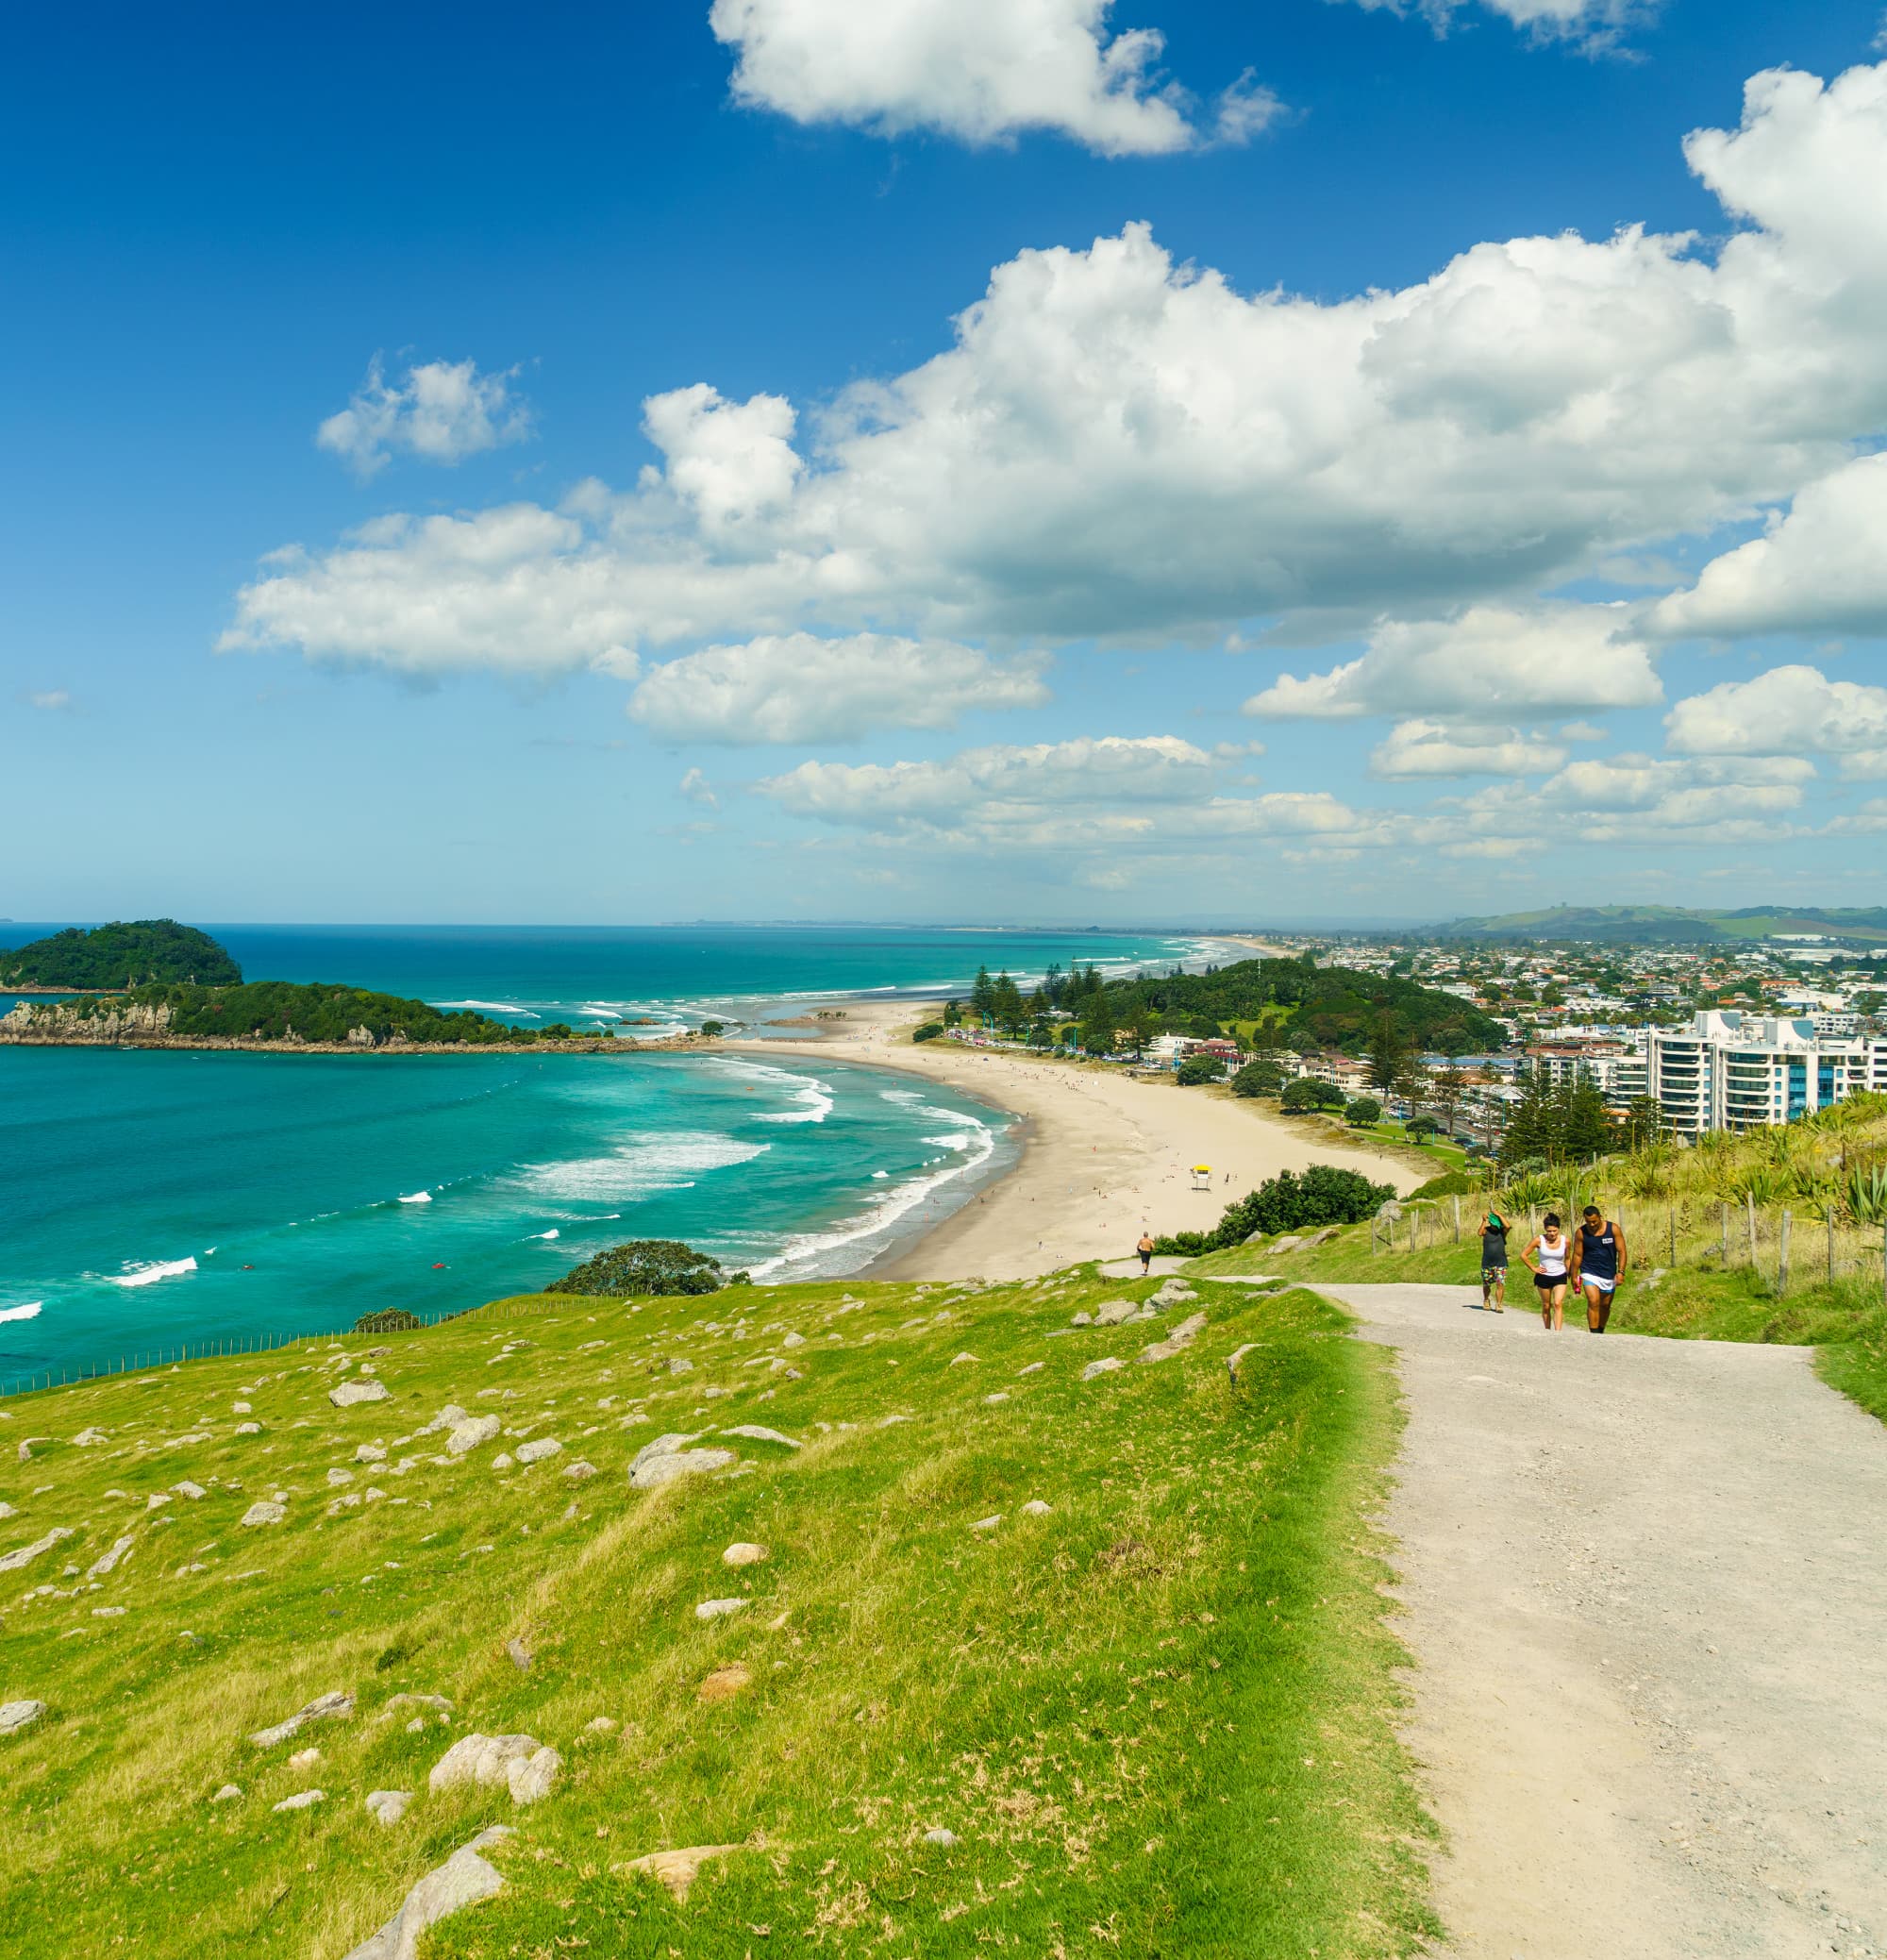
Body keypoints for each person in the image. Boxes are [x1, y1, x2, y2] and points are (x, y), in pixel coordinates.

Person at [1571, 1203, 1627, 1333]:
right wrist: (1574, 1275)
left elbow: (1622, 1251)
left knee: (1605, 1305)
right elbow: (1578, 1255)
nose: (1591, 1225)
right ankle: (1594, 1334)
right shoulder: (1581, 1233)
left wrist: (1621, 1272)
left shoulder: (1613, 1229)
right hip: (1589, 1271)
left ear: (1600, 1217)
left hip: (1609, 1273)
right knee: (1593, 1301)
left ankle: (1600, 1331)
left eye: (1594, 1221)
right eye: (1588, 1222)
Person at [1522, 1212, 1570, 1331]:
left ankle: (1558, 1332)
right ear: (1545, 1230)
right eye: (1549, 1231)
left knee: (1558, 1303)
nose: (1552, 1234)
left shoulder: (1566, 1241)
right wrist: (1534, 1268)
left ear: (1558, 1229)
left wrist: (1570, 1273)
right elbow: (1523, 1255)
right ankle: (1547, 1331)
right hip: (1544, 1275)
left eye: (1554, 1231)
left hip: (1560, 1275)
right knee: (1546, 1305)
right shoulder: (1539, 1240)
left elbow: (1568, 1258)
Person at [1477, 1206, 1510, 1312]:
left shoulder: (1502, 1232)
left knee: (1500, 1283)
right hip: (1487, 1263)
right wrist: (1484, 1221)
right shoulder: (1486, 1231)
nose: (1496, 1227)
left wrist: (1499, 1214)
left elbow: (1508, 1226)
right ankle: (1486, 1300)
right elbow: (1479, 1233)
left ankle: (1499, 1304)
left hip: (1500, 1263)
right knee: (1486, 1283)